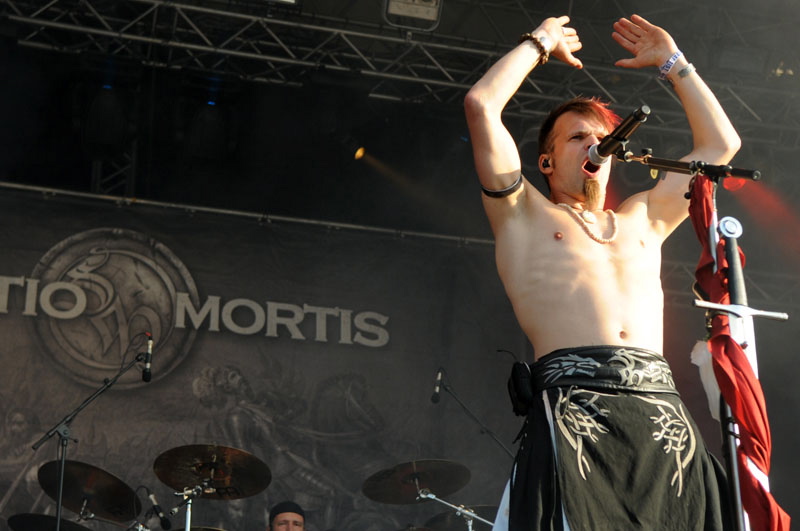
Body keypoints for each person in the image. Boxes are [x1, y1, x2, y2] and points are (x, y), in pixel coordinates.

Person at [464, 13, 740, 531]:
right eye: (576, 138)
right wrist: (539, 43)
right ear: (546, 162)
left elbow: (720, 147)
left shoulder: (643, 216)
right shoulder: (522, 213)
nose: (594, 145)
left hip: (659, 412)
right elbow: (481, 106)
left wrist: (674, 63)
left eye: (602, 138)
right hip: (575, 411)